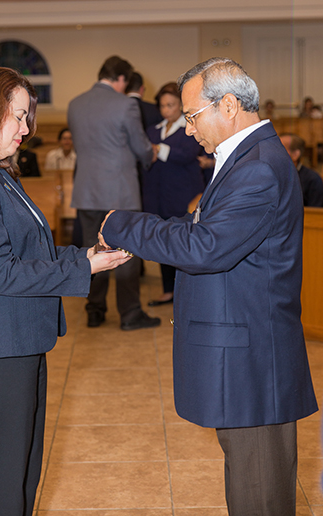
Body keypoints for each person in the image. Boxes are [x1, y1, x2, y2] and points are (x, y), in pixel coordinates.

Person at [98, 57, 318, 516]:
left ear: (230, 105)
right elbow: (204, 226)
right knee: (250, 485)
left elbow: (206, 247)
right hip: (248, 355)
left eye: (192, 116)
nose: (187, 129)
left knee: (259, 496)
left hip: (253, 363)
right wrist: (143, 234)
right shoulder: (246, 158)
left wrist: (123, 225)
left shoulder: (257, 166)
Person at [0, 66, 131, 516]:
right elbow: (0, 272)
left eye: (26, 117)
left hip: (16, 341)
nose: (26, 129)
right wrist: (85, 268)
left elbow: (29, 249)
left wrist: (86, 258)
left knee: (21, 477)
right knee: (2, 489)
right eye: (17, 117)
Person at [68, 55, 161, 330]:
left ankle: (94, 310)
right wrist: (150, 156)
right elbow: (141, 147)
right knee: (125, 254)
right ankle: (130, 314)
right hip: (120, 192)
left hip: (86, 191)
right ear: (121, 79)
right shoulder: (126, 105)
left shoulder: (75, 104)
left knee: (91, 251)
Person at [143, 82, 206, 306]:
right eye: (162, 106)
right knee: (163, 241)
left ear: (180, 105)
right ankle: (168, 289)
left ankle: (188, 291)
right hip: (157, 194)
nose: (166, 110)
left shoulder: (190, 128)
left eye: (171, 105)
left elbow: (188, 154)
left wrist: (159, 150)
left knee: (184, 241)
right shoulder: (153, 129)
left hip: (183, 194)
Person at [280, 132, 323, 207]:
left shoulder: (312, 180)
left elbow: (316, 214)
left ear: (295, 155)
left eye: (280, 149)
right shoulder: (270, 175)